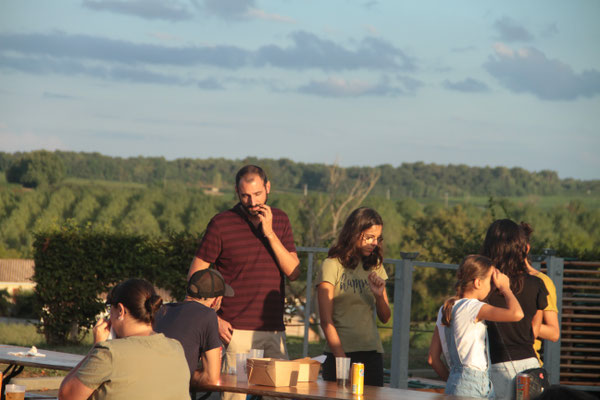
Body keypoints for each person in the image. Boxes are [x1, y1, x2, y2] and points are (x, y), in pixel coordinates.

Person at [187, 165, 300, 400]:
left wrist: (269, 233)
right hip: (234, 332)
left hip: (273, 331)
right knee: (233, 397)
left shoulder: (280, 220)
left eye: (258, 194)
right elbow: (195, 279)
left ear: (268, 188)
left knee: (282, 396)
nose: (252, 201)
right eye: (246, 195)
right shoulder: (222, 223)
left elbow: (293, 271)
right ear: (237, 192)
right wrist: (212, 319)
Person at [58, 279, 190, 400]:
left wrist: (96, 347)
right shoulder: (176, 347)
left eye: (110, 309)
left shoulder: (109, 353)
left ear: (120, 310)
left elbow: (66, 396)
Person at [428, 255, 524, 398]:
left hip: (456, 383)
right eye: (490, 282)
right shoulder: (473, 307)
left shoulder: (445, 309)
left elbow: (432, 359)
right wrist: (505, 289)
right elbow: (517, 314)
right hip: (475, 384)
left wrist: (454, 381)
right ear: (478, 282)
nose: (493, 286)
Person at [316, 207, 391, 387]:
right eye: (369, 237)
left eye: (378, 238)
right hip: (339, 355)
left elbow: (385, 317)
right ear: (354, 233)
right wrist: (343, 362)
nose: (374, 243)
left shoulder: (375, 266)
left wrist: (379, 296)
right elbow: (326, 321)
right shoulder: (331, 265)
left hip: (372, 353)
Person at [482, 219, 549, 400]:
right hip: (531, 365)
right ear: (520, 247)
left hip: (499, 366)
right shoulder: (537, 283)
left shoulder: (483, 286)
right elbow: (535, 328)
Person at [154, 268, 234, 388]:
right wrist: (187, 375)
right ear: (215, 301)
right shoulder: (208, 315)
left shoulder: (162, 310)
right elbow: (210, 378)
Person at [520, 222, 560, 364]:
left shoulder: (542, 281)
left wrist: (520, 322)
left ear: (527, 248)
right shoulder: (498, 278)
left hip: (528, 360)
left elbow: (554, 333)